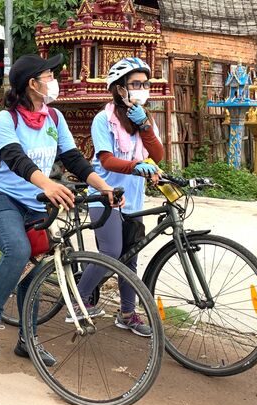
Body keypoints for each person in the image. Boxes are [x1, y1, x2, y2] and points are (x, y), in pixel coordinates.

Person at [0, 54, 121, 364]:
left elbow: (74, 160)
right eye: (49, 76)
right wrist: (48, 185)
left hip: (35, 203)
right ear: (32, 84)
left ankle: (28, 339)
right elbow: (16, 159)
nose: (53, 81)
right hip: (2, 199)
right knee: (18, 251)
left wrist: (104, 188)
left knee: (38, 267)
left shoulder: (54, 118)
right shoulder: (6, 119)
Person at [73, 57, 165, 338]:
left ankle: (127, 314)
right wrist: (137, 166)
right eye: (136, 84)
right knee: (111, 253)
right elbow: (107, 160)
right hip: (105, 196)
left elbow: (158, 155)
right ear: (120, 89)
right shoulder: (105, 119)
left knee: (131, 257)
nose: (142, 88)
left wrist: (146, 128)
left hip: (133, 200)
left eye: (145, 83)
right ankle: (78, 301)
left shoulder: (144, 119)